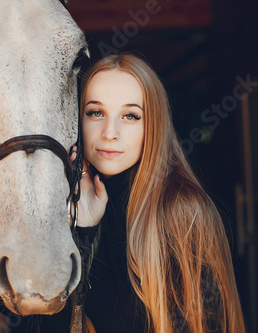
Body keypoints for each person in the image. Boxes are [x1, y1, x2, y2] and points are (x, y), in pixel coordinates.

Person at [73, 53, 246, 332]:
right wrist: (84, 229)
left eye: (130, 115)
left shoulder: (182, 211)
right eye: (96, 112)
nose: (109, 132)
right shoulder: (75, 209)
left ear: (152, 124)